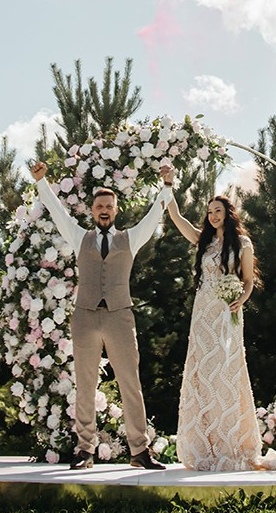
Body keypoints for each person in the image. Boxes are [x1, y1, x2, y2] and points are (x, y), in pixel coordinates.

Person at [29, 159, 174, 470]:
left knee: (130, 383)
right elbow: (58, 212)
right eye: (99, 206)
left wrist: (166, 186)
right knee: (85, 384)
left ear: (116, 210)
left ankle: (140, 451)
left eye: (109, 205)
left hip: (120, 317)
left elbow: (153, 216)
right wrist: (42, 183)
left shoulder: (130, 239)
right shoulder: (79, 237)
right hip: (85, 317)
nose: (104, 210)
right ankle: (85, 451)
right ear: (92, 211)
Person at [165, 187, 276, 471]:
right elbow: (176, 216)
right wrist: (168, 187)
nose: (213, 216)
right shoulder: (203, 242)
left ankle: (231, 442)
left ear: (228, 214)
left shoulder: (242, 243)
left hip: (226, 314)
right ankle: (205, 443)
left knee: (226, 370)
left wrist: (241, 298)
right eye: (209, 212)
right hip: (202, 314)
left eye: (218, 211)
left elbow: (248, 280)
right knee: (202, 372)